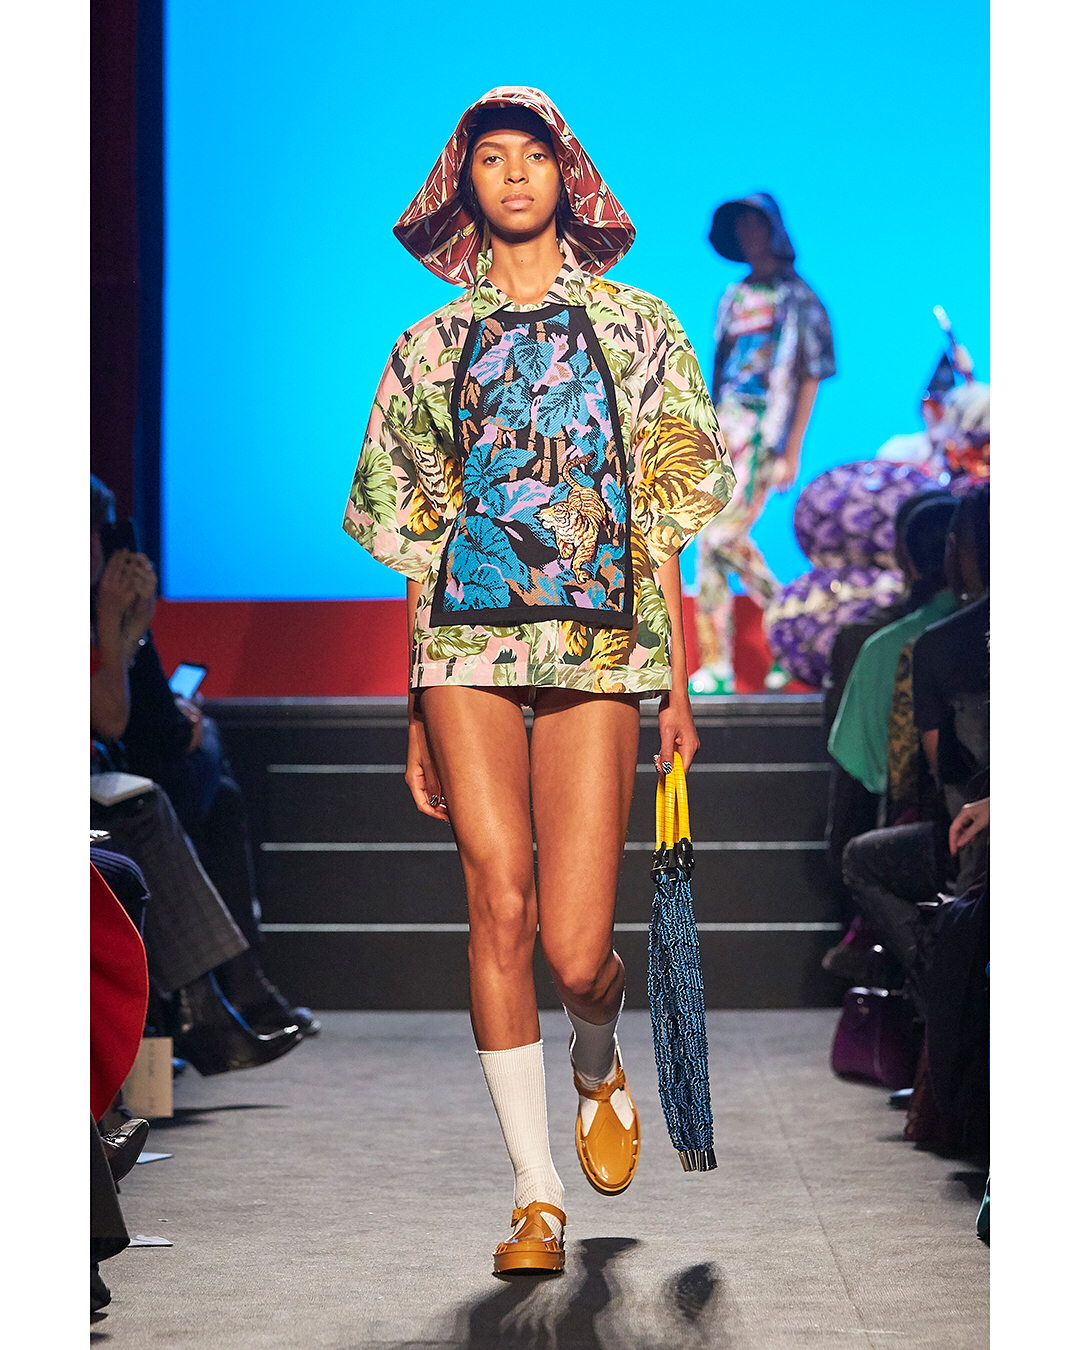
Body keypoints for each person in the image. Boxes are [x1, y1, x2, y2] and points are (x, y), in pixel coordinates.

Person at [343, 87, 733, 1276]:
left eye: (534, 156)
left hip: (601, 644)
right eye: (491, 159)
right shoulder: (427, 347)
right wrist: (416, 704)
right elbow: (417, 531)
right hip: (463, 645)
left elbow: (664, 507)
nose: (514, 175)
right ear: (462, 185)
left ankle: (597, 1058)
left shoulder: (639, 326)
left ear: (570, 177)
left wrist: (675, 681)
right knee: (498, 902)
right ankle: (534, 1194)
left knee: (575, 952)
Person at [691, 192, 835, 694]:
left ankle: (793, 622)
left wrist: (791, 449)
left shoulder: (797, 296)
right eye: (740, 227)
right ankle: (716, 665)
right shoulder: (734, 296)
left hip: (763, 429)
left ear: (773, 229)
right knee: (708, 543)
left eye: (755, 224)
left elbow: (811, 373)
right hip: (724, 425)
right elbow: (719, 368)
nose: (748, 235)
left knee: (720, 537)